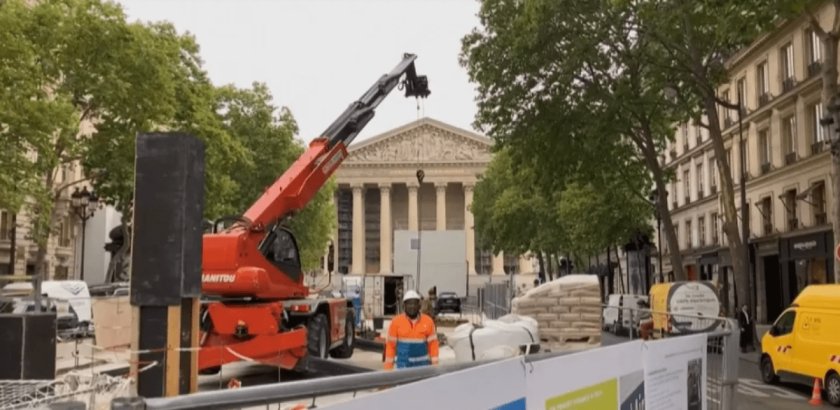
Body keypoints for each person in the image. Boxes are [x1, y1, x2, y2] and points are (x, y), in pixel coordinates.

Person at [384, 290, 439, 370]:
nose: (412, 306)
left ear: (419, 306)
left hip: (423, 368)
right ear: (404, 306)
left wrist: (435, 367)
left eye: (414, 303)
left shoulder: (428, 322)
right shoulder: (396, 322)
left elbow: (433, 345)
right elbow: (390, 346)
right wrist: (388, 370)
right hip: (403, 368)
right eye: (409, 303)